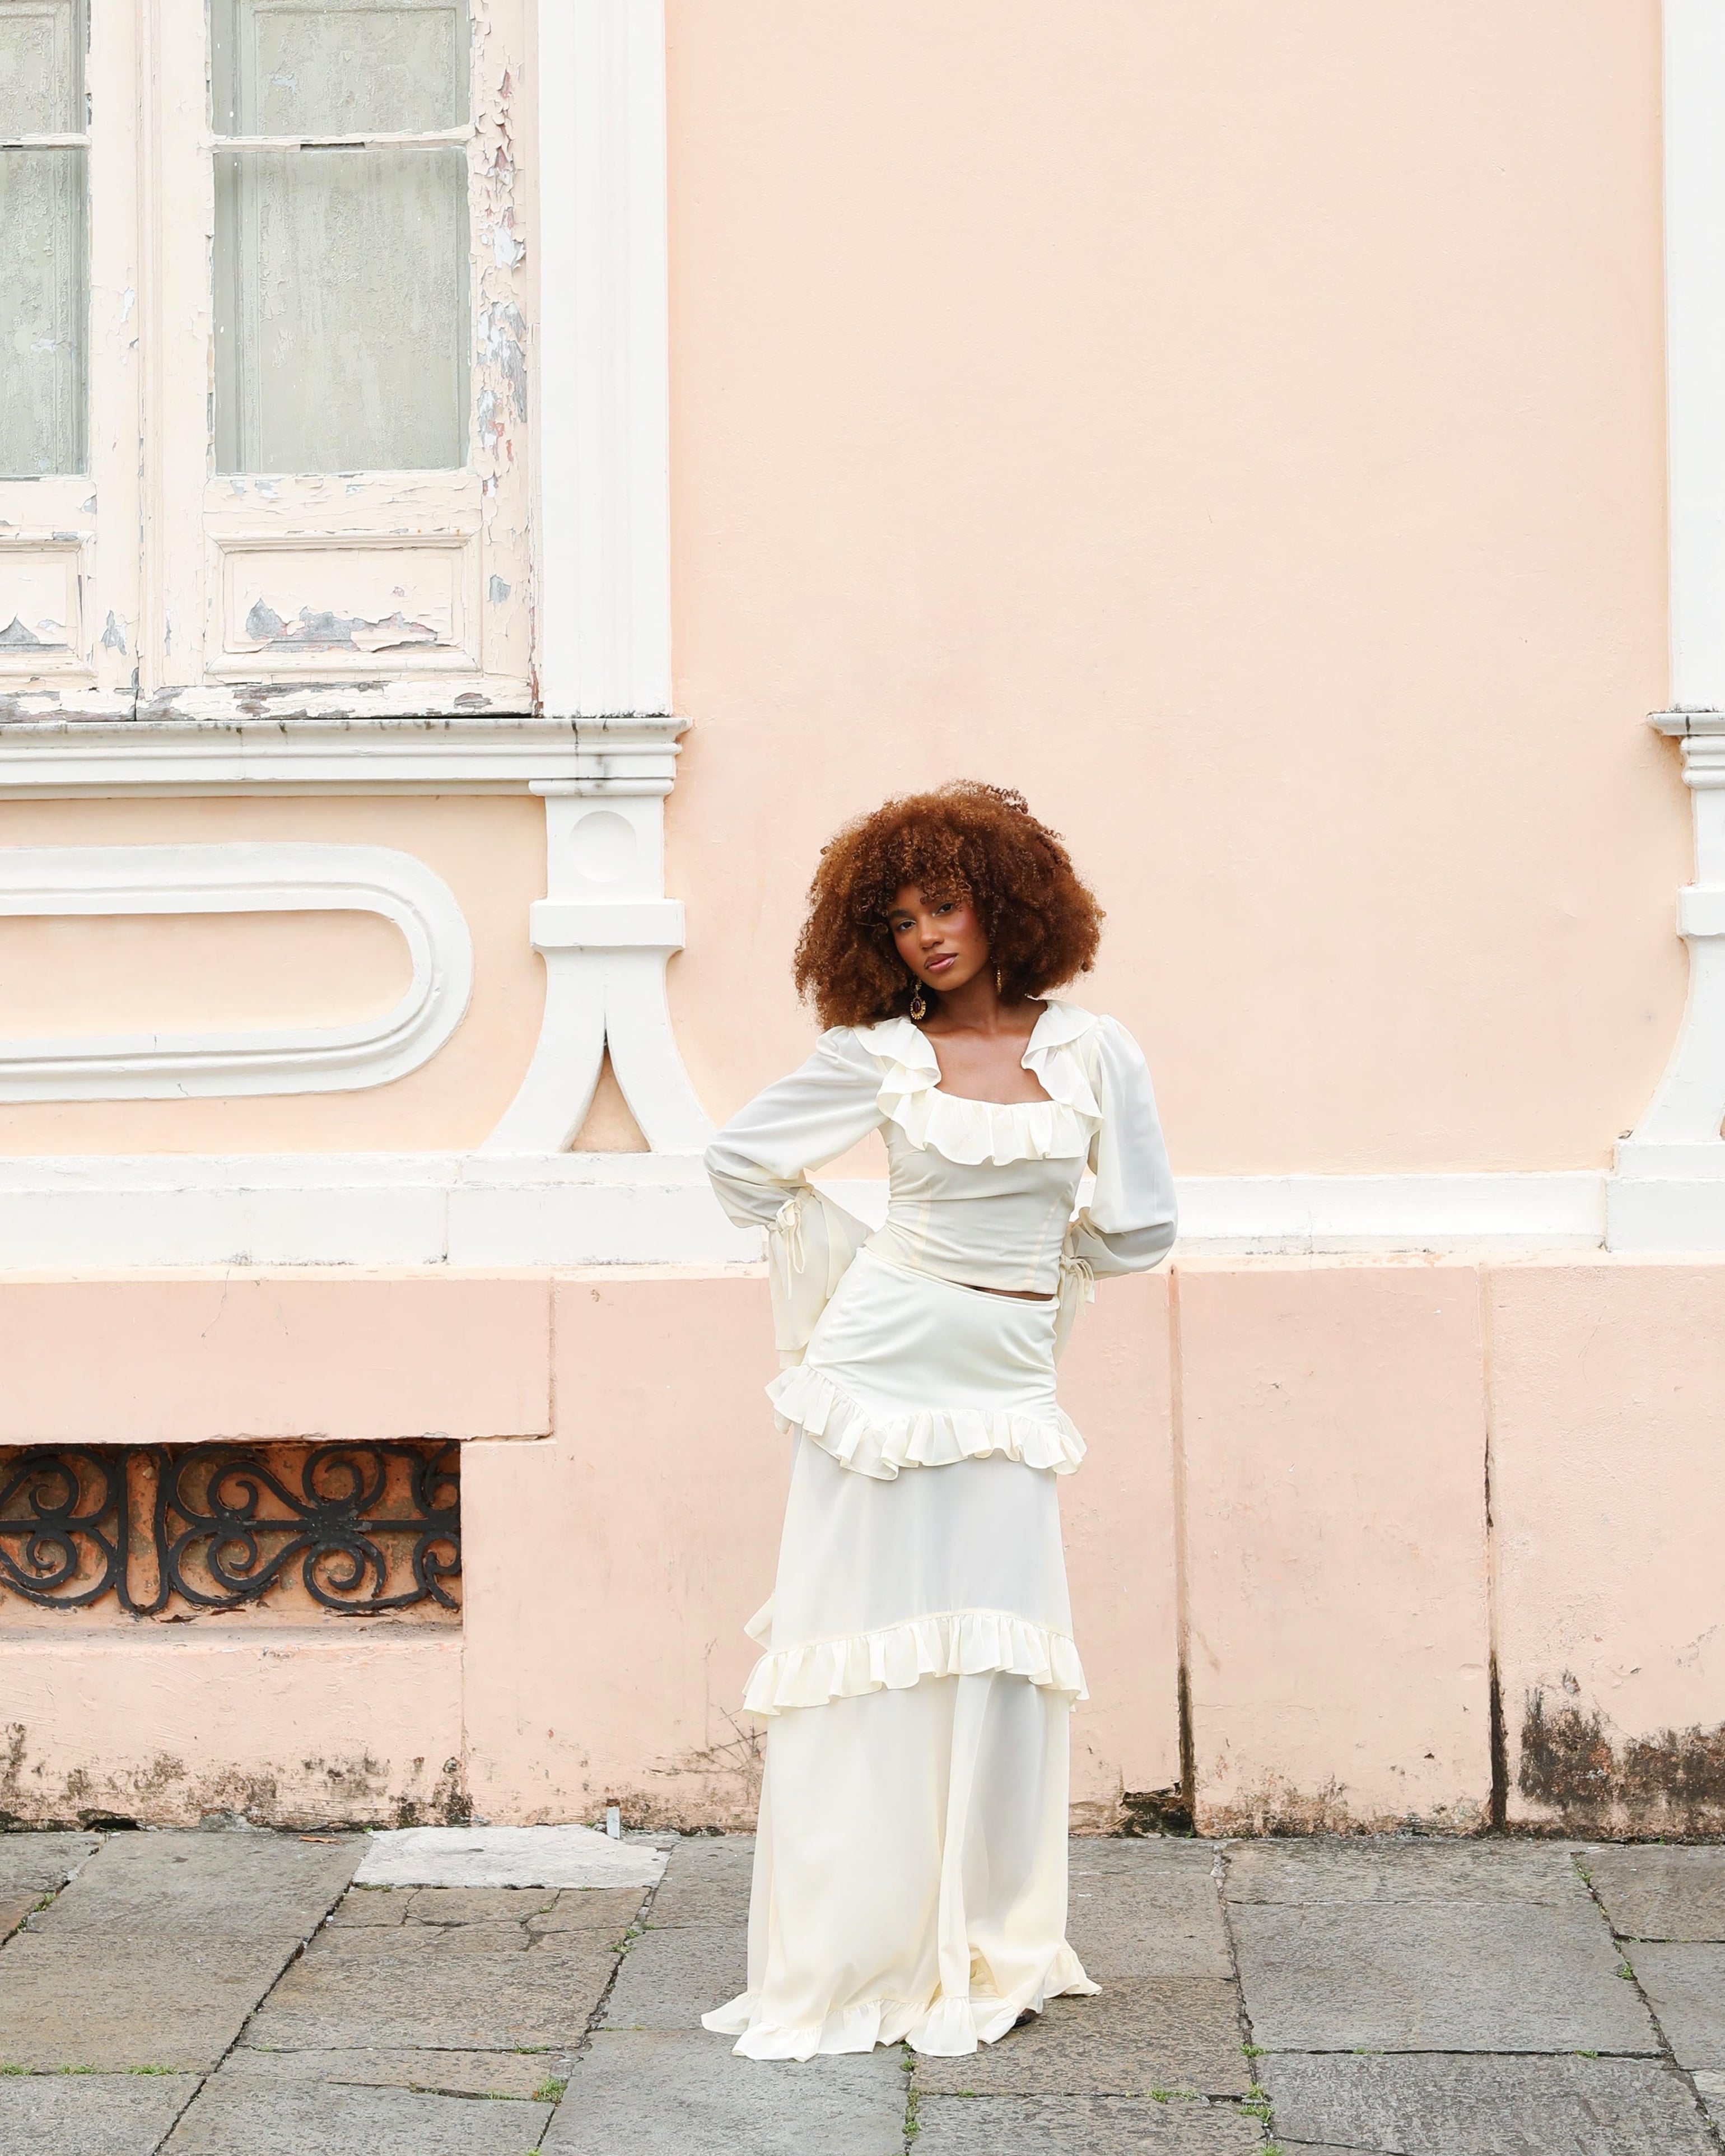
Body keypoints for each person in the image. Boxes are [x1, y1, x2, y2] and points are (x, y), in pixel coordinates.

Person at [700, 781, 1177, 2061]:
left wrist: (1039, 1270)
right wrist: (865, 1256)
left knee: (1000, 1657)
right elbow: (741, 1162)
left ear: (1006, 905)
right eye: (901, 919)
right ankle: (852, 1943)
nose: (926, 937)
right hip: (875, 1379)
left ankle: (986, 1936)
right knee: (864, 1654)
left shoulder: (1093, 1050)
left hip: (1005, 1381)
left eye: (946, 906)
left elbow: (1142, 1222)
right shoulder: (880, 1056)